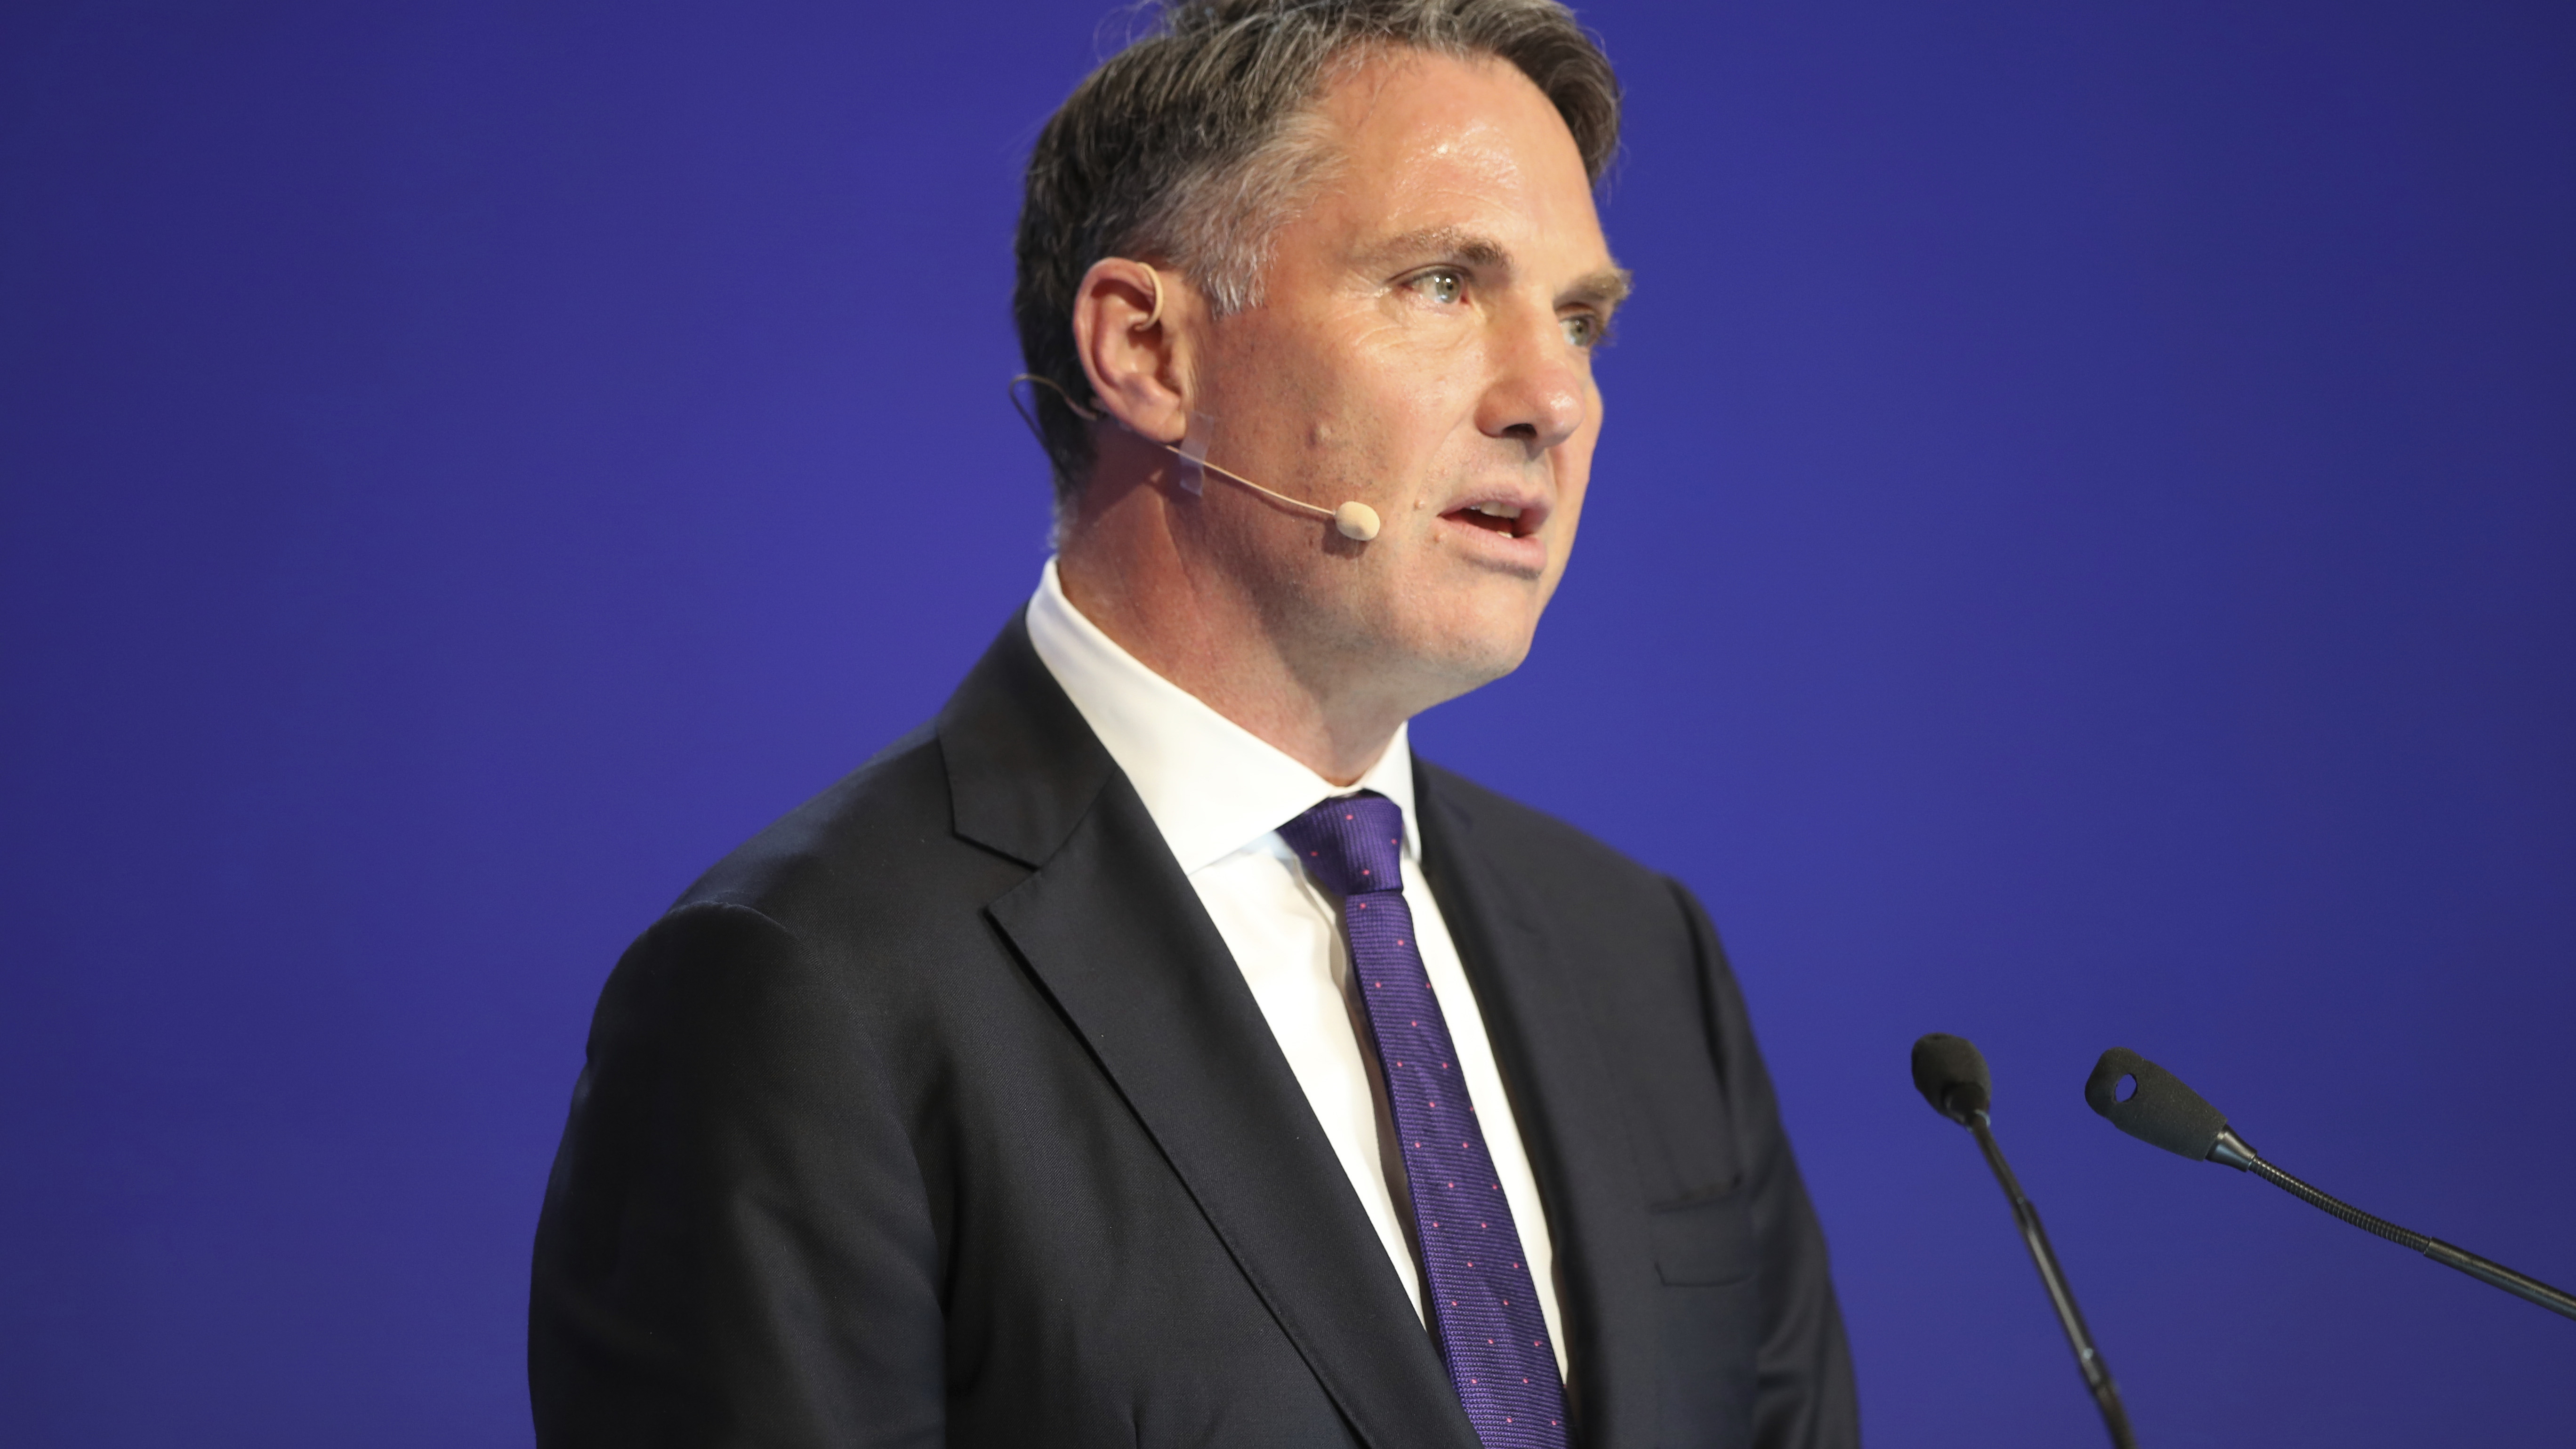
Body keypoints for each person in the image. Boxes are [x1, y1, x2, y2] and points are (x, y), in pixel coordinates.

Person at [528, 2, 1858, 1445]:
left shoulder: (1643, 960)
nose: (1555, 397)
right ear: (1149, 353)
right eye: (1439, 283)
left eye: (1581, 318)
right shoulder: (800, 994)